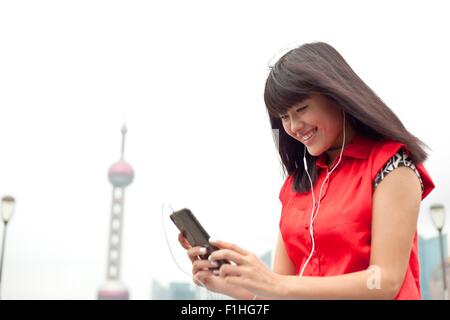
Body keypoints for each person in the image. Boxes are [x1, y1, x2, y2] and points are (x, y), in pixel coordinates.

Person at [178, 42, 435, 299]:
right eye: (284, 117)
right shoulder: (296, 186)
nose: (294, 126)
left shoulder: (391, 166)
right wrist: (230, 284)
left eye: (301, 109)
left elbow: (384, 282)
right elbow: (281, 290)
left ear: (337, 96)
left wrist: (273, 283)